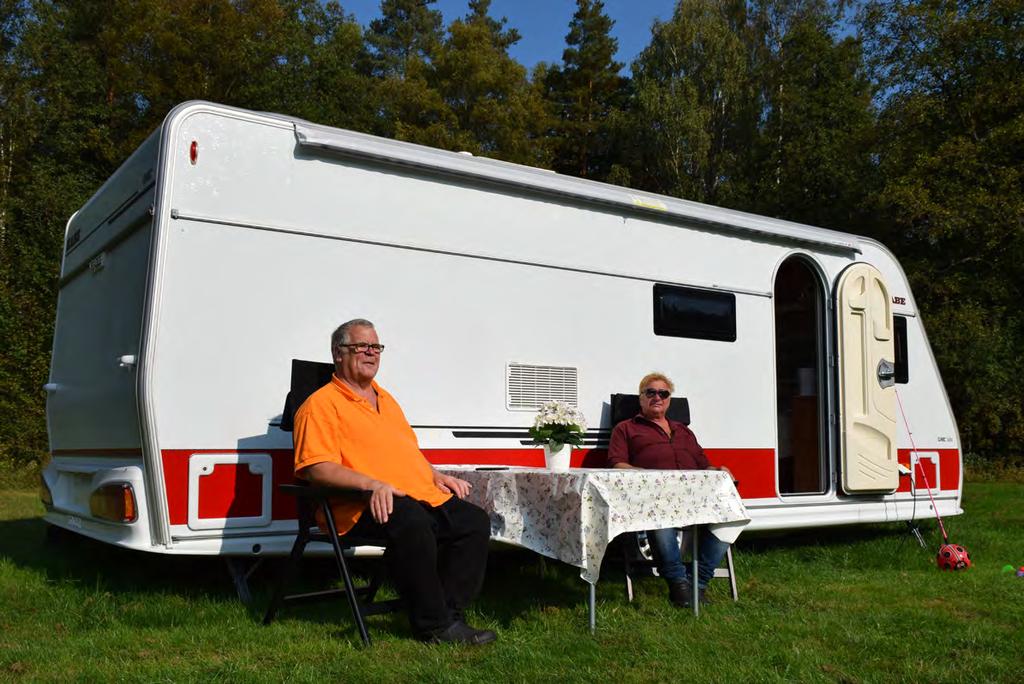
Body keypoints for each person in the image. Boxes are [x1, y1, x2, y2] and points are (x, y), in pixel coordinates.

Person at [292, 318, 496, 645]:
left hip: (413, 493)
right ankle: (433, 627)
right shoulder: (319, 405)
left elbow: (406, 451)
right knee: (413, 522)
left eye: (376, 347)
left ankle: (448, 612)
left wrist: (436, 475)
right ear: (338, 353)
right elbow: (317, 467)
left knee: (472, 521)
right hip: (358, 506)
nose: (371, 353)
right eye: (361, 346)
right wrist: (371, 484)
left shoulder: (385, 399)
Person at [607, 372, 734, 608]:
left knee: (731, 516)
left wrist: (719, 469)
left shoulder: (683, 431)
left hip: (694, 496)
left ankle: (698, 582)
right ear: (641, 398)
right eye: (651, 392)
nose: (658, 397)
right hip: (654, 497)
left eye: (663, 393)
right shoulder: (626, 428)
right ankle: (679, 584)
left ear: (669, 399)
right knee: (662, 516)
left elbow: (702, 463)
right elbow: (617, 463)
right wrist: (645, 476)